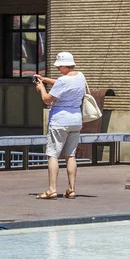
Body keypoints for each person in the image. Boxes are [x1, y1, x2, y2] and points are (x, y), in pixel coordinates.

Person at [33, 52, 86, 199]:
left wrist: (41, 87)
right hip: (76, 120)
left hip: (60, 121)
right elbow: (62, 83)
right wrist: (45, 79)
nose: (58, 69)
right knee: (71, 155)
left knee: (53, 155)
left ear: (64, 66)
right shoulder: (80, 76)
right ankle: (72, 189)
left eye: (59, 67)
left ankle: (52, 189)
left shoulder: (63, 81)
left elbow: (47, 99)